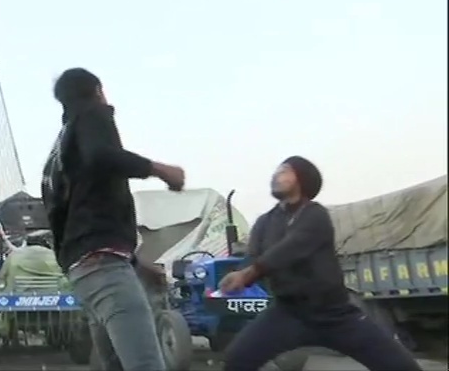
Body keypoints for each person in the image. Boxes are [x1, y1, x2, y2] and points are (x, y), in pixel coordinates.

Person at [41, 68, 186, 371]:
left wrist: (133, 263)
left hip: (84, 272)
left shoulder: (60, 151)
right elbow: (102, 155)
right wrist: (160, 169)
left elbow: (71, 224)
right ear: (98, 90)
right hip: (103, 268)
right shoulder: (92, 114)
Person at [220, 156, 423, 371]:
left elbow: (292, 248)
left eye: (284, 171)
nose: (276, 176)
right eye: (276, 171)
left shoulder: (315, 215)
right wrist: (240, 273)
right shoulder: (264, 223)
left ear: (302, 178)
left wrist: (249, 274)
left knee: (401, 366)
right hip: (288, 313)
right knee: (237, 359)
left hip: (335, 315)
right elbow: (253, 259)